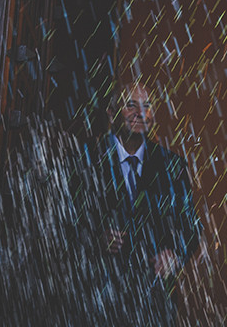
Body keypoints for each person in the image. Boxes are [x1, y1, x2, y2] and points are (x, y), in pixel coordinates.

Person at [85, 81, 201, 326]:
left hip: (153, 304)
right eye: (130, 105)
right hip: (97, 300)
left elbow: (192, 228)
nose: (140, 113)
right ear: (111, 113)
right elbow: (68, 223)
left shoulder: (172, 165)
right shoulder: (88, 159)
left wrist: (175, 254)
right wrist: (97, 240)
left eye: (146, 106)